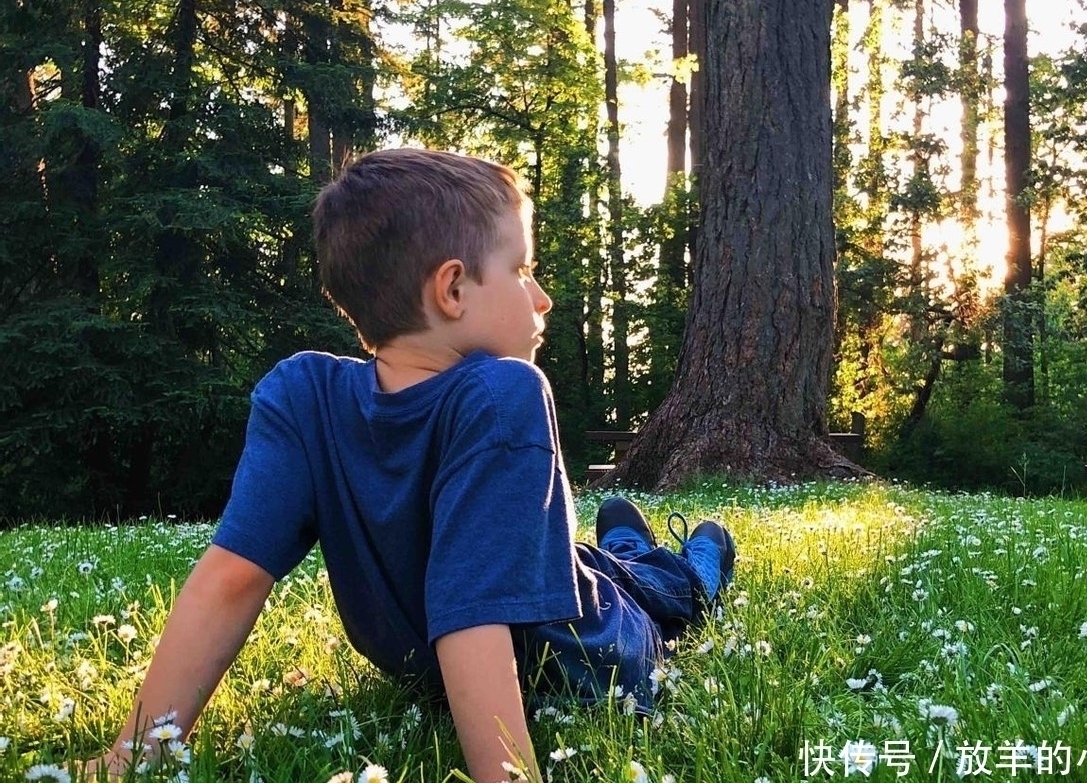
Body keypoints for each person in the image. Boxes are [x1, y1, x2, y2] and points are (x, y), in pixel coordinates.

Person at [85, 147, 735, 783]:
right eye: (521, 269)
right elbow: (469, 617)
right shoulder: (501, 391)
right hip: (591, 654)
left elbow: (228, 576)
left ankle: (684, 561)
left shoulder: (302, 396)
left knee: (642, 582)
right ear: (452, 287)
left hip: (583, 612)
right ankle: (661, 556)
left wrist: (135, 752)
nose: (542, 300)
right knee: (623, 581)